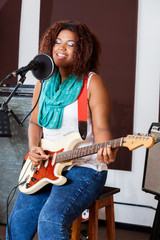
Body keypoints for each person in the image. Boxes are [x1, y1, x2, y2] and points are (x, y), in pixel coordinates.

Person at [6, 20, 117, 240]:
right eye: (57, 42)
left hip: (84, 166)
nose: (61, 48)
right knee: (17, 224)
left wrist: (107, 147)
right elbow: (35, 123)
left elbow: (102, 127)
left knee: (50, 221)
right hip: (46, 164)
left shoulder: (92, 83)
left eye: (70, 44)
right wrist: (33, 148)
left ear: (82, 50)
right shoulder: (43, 82)